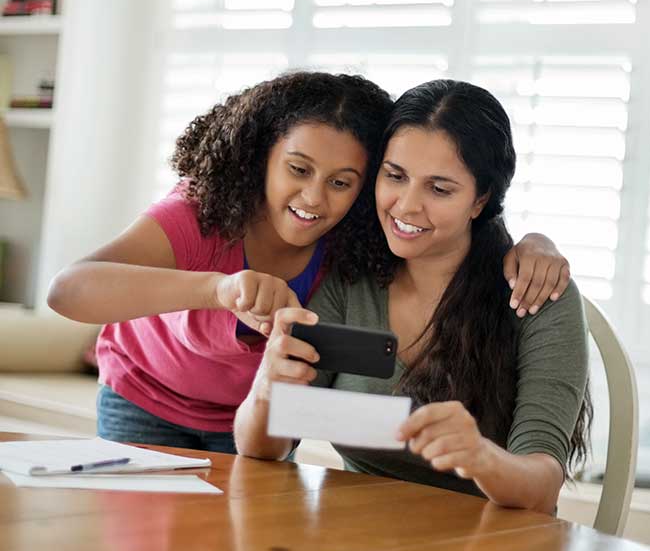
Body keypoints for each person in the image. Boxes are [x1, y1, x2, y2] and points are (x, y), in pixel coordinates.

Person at [48, 72, 571, 454]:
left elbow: (448, 212)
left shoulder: (356, 237)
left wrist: (533, 241)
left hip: (254, 422)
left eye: (342, 182)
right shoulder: (205, 209)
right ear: (260, 157)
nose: (314, 198)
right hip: (147, 397)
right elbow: (68, 290)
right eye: (298, 169)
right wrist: (218, 290)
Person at [235, 79, 591, 514]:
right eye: (395, 176)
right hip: (356, 545)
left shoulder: (536, 296)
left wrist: (481, 456)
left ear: (480, 199)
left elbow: (541, 489)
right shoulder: (351, 280)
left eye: (439, 189)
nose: (406, 206)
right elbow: (263, 448)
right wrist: (268, 390)